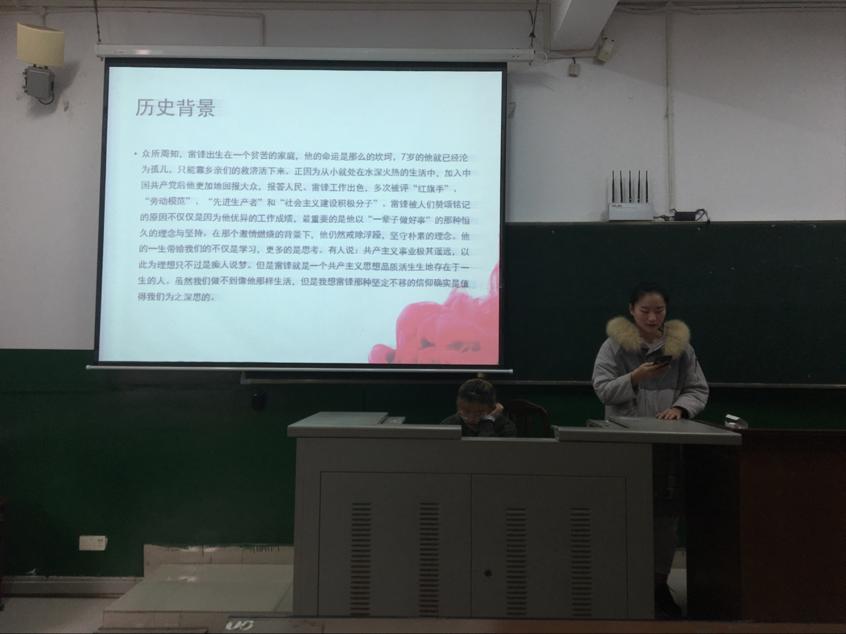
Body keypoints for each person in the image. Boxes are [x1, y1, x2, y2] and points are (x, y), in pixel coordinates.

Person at [592, 282, 709, 619]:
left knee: (664, 520)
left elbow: (698, 389)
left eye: (659, 310)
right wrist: (635, 377)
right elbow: (602, 390)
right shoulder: (613, 347)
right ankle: (620, 582)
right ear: (632, 310)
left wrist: (681, 408)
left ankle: (658, 585)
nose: (652, 317)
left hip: (666, 446)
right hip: (623, 444)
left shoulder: (681, 349)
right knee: (621, 514)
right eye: (645, 310)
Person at [441, 378, 516, 437]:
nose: (471, 419)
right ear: (458, 406)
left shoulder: (505, 427)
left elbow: (489, 450)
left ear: (492, 409)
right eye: (466, 411)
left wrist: (488, 421)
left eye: (480, 413)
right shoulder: (448, 425)